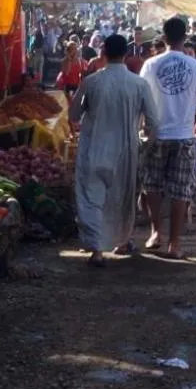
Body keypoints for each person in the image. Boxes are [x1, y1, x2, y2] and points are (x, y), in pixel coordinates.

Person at [70, 34, 158, 267]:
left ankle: (97, 250)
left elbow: (73, 115)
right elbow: (153, 121)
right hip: (125, 151)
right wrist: (144, 146)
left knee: (92, 199)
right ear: (126, 54)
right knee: (121, 199)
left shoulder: (92, 82)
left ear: (104, 52)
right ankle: (121, 241)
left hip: (94, 149)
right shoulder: (139, 84)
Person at [139, 17, 196, 259]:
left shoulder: (150, 64)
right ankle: (174, 243)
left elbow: (142, 99)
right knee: (180, 191)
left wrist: (144, 126)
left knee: (151, 185)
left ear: (163, 38)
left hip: (157, 133)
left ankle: (156, 232)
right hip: (184, 135)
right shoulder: (195, 66)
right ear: (185, 37)